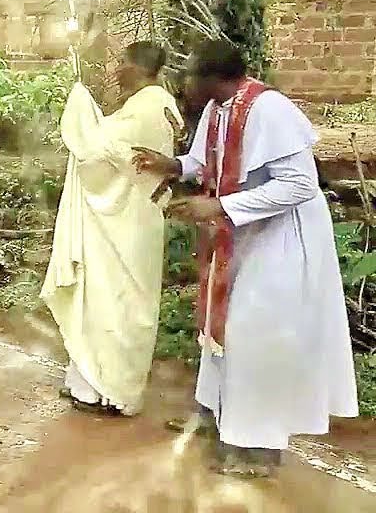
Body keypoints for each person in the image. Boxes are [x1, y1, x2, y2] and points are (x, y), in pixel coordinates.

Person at [134, 39, 357, 477]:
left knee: (256, 333)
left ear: (215, 77)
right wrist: (172, 165)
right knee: (221, 329)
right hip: (242, 234)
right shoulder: (218, 109)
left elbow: (299, 185)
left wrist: (219, 207)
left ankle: (259, 448)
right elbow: (202, 161)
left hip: (282, 242)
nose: (185, 83)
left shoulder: (269, 110)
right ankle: (216, 415)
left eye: (192, 74)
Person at [41, 41, 182, 417]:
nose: (116, 69)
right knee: (108, 298)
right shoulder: (157, 104)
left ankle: (112, 389)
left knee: (116, 299)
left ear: (138, 67)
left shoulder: (147, 109)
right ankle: (90, 384)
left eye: (121, 62)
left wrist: (79, 105)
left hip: (125, 225)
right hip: (127, 221)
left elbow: (97, 148)